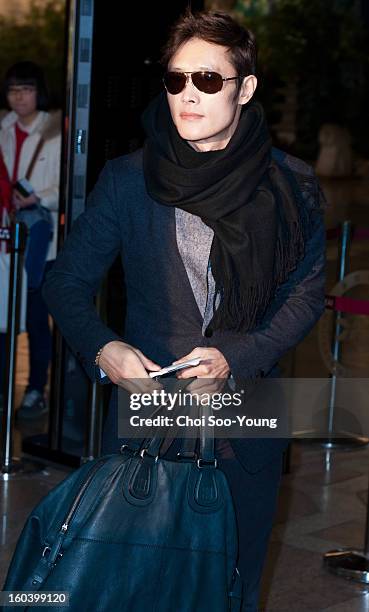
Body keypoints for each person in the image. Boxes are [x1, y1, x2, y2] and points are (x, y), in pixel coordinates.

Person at [43, 10, 326, 611]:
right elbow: (65, 282)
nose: (188, 95)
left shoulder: (291, 184)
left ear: (245, 89)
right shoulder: (128, 180)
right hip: (155, 417)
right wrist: (103, 347)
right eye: (176, 80)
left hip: (250, 414)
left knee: (238, 585)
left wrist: (235, 356)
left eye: (208, 80)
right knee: (145, 586)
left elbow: (305, 295)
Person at [0, 61, 61, 418]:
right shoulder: (4, 128)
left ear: (39, 92)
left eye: (26, 89)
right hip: (8, 238)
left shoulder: (54, 131)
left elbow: (66, 182)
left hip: (40, 240)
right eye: (13, 90)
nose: (19, 97)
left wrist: (40, 197)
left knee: (37, 319)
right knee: (5, 319)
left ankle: (36, 388)